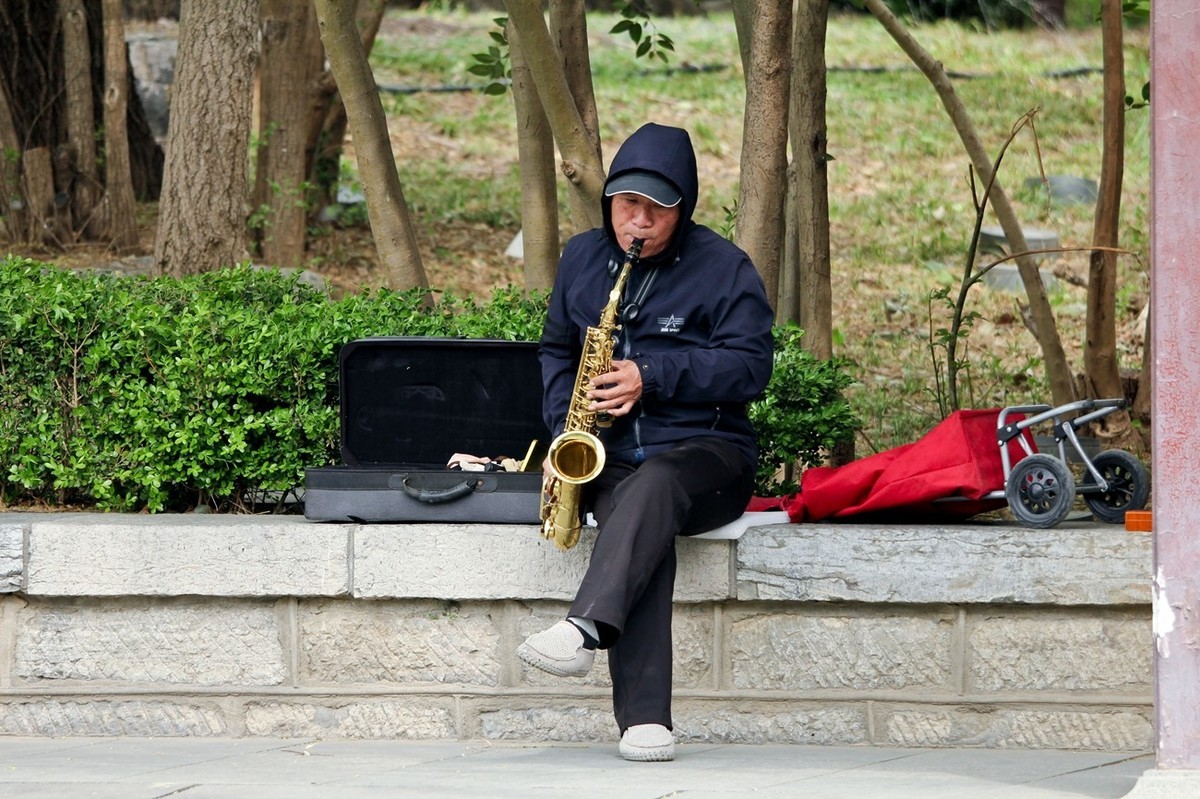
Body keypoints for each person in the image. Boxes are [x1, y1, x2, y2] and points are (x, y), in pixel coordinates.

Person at [517, 122, 775, 762]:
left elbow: (751, 367)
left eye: (655, 209)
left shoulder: (724, 269)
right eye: (626, 205)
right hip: (606, 453)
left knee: (652, 488)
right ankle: (644, 726)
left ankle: (583, 628)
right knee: (640, 508)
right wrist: (564, 430)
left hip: (706, 453)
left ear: (682, 208)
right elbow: (556, 349)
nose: (638, 221)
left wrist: (653, 376)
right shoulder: (581, 258)